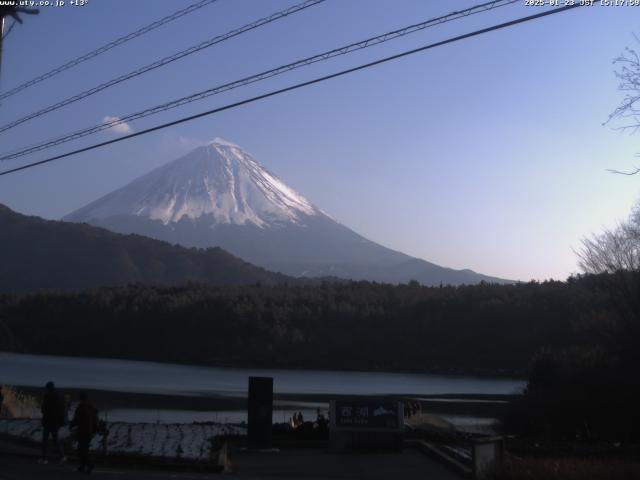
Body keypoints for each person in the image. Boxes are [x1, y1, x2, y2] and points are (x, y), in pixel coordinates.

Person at [71, 392, 98, 473]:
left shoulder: (80, 407)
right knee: (84, 449)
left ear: (81, 398)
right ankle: (83, 466)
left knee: (81, 449)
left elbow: (76, 419)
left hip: (82, 431)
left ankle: (89, 465)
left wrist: (71, 426)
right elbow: (95, 419)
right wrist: (94, 430)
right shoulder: (91, 407)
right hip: (89, 431)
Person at [40, 381, 66, 464]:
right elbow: (62, 409)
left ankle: (44, 458)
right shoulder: (60, 396)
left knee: (45, 440)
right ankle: (62, 456)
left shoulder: (47, 396)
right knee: (56, 440)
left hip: (48, 421)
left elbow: (44, 409)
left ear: (48, 388)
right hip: (56, 421)